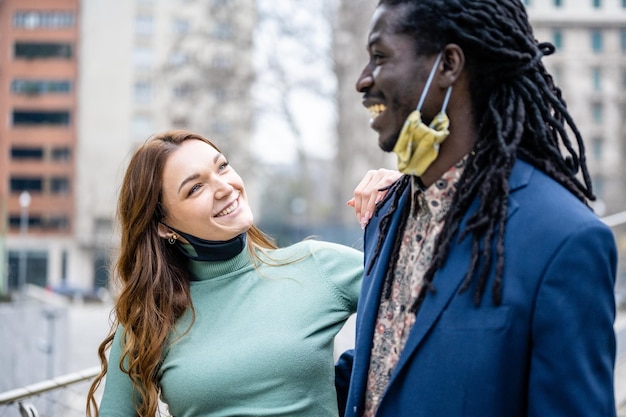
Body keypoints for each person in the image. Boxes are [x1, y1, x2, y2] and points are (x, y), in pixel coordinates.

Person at [338, 1, 619, 416]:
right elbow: (382, 370)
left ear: (449, 64)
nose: (363, 81)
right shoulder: (384, 215)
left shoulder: (564, 239)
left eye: (379, 57)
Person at [85, 130, 396, 417]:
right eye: (195, 188)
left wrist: (406, 191)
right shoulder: (150, 316)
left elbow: (429, 302)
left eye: (222, 167)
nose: (224, 187)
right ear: (164, 227)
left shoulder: (318, 265)